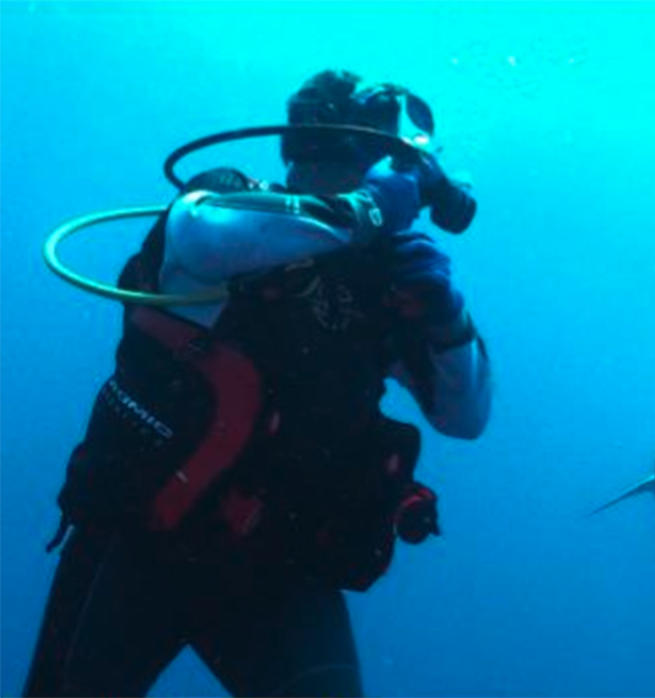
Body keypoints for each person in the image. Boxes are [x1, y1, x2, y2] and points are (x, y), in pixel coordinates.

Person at [23, 69, 491, 697]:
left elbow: (465, 418)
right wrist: (392, 193)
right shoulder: (219, 210)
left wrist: (445, 318)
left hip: (281, 568)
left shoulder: (385, 284)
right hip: (140, 542)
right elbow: (218, 229)